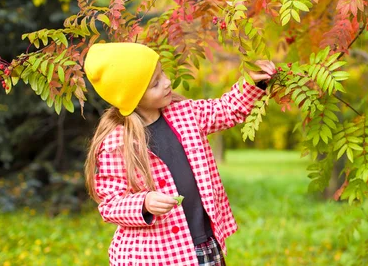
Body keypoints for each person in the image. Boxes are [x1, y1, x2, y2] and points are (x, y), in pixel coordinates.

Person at [83, 42, 276, 266]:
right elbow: (110, 205)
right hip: (156, 256)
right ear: (132, 98)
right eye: (156, 83)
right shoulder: (117, 144)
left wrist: (254, 83)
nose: (167, 82)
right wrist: (143, 203)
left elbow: (226, 109)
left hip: (203, 244)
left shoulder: (184, 113)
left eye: (162, 72)